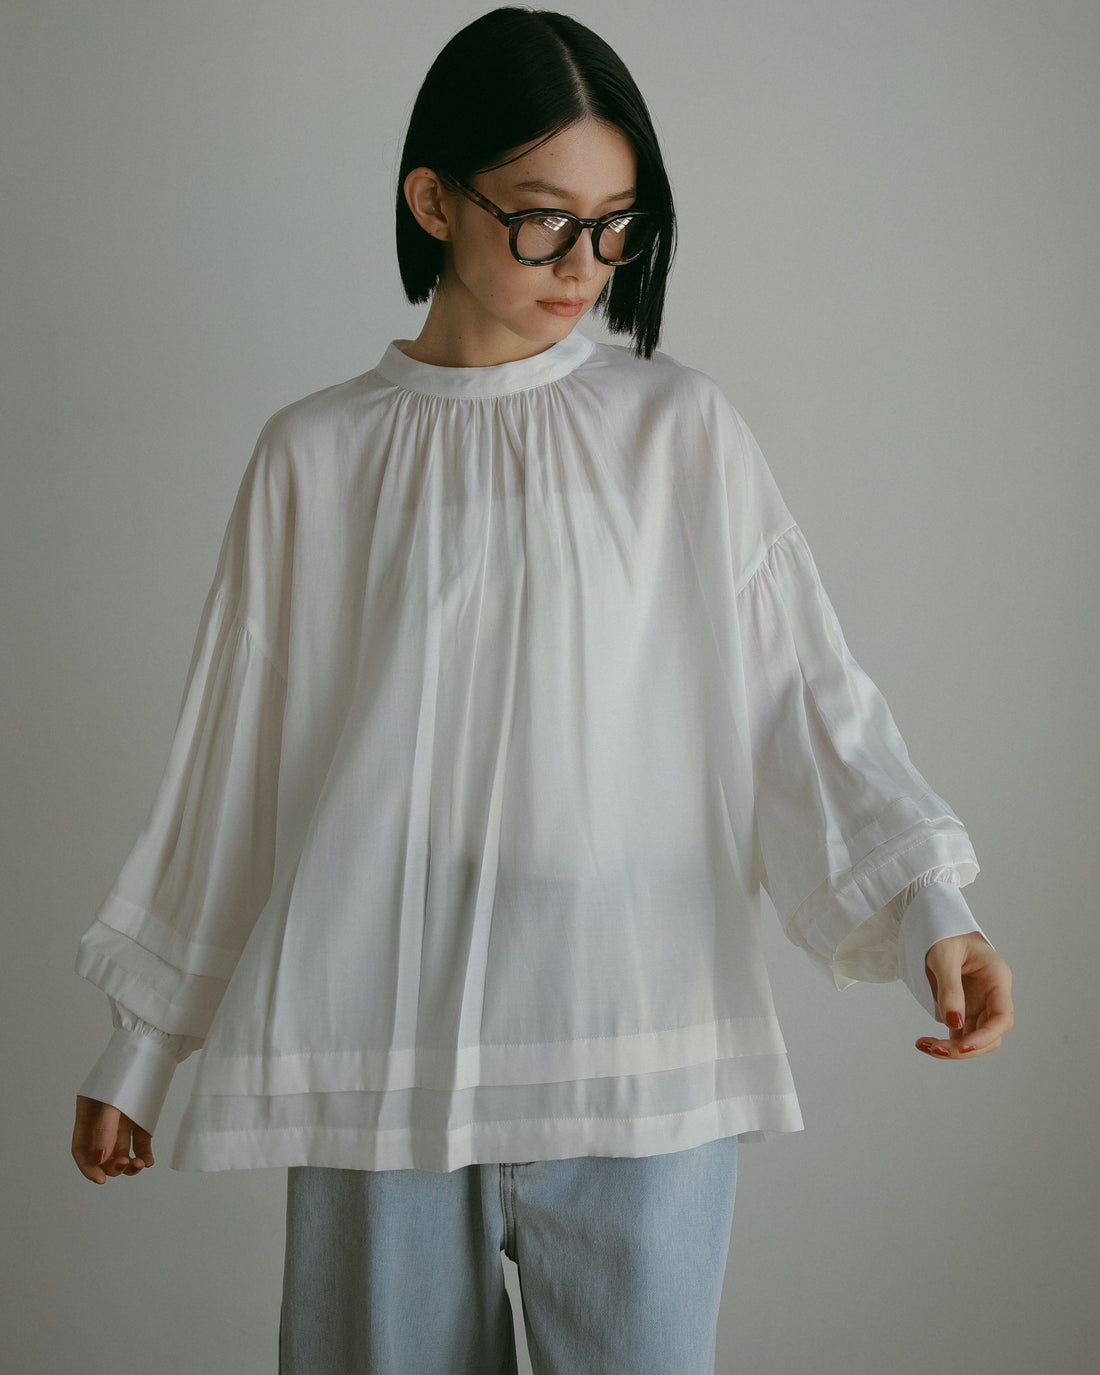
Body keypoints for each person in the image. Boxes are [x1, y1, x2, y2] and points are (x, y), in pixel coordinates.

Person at [70, 8, 1013, 1372]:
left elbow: (798, 693)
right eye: (544, 220)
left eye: (616, 225)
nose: (586, 265)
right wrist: (144, 1044)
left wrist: (932, 902)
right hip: (376, 1058)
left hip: (635, 1045)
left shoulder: (676, 431)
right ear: (433, 200)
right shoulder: (314, 459)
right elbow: (238, 770)